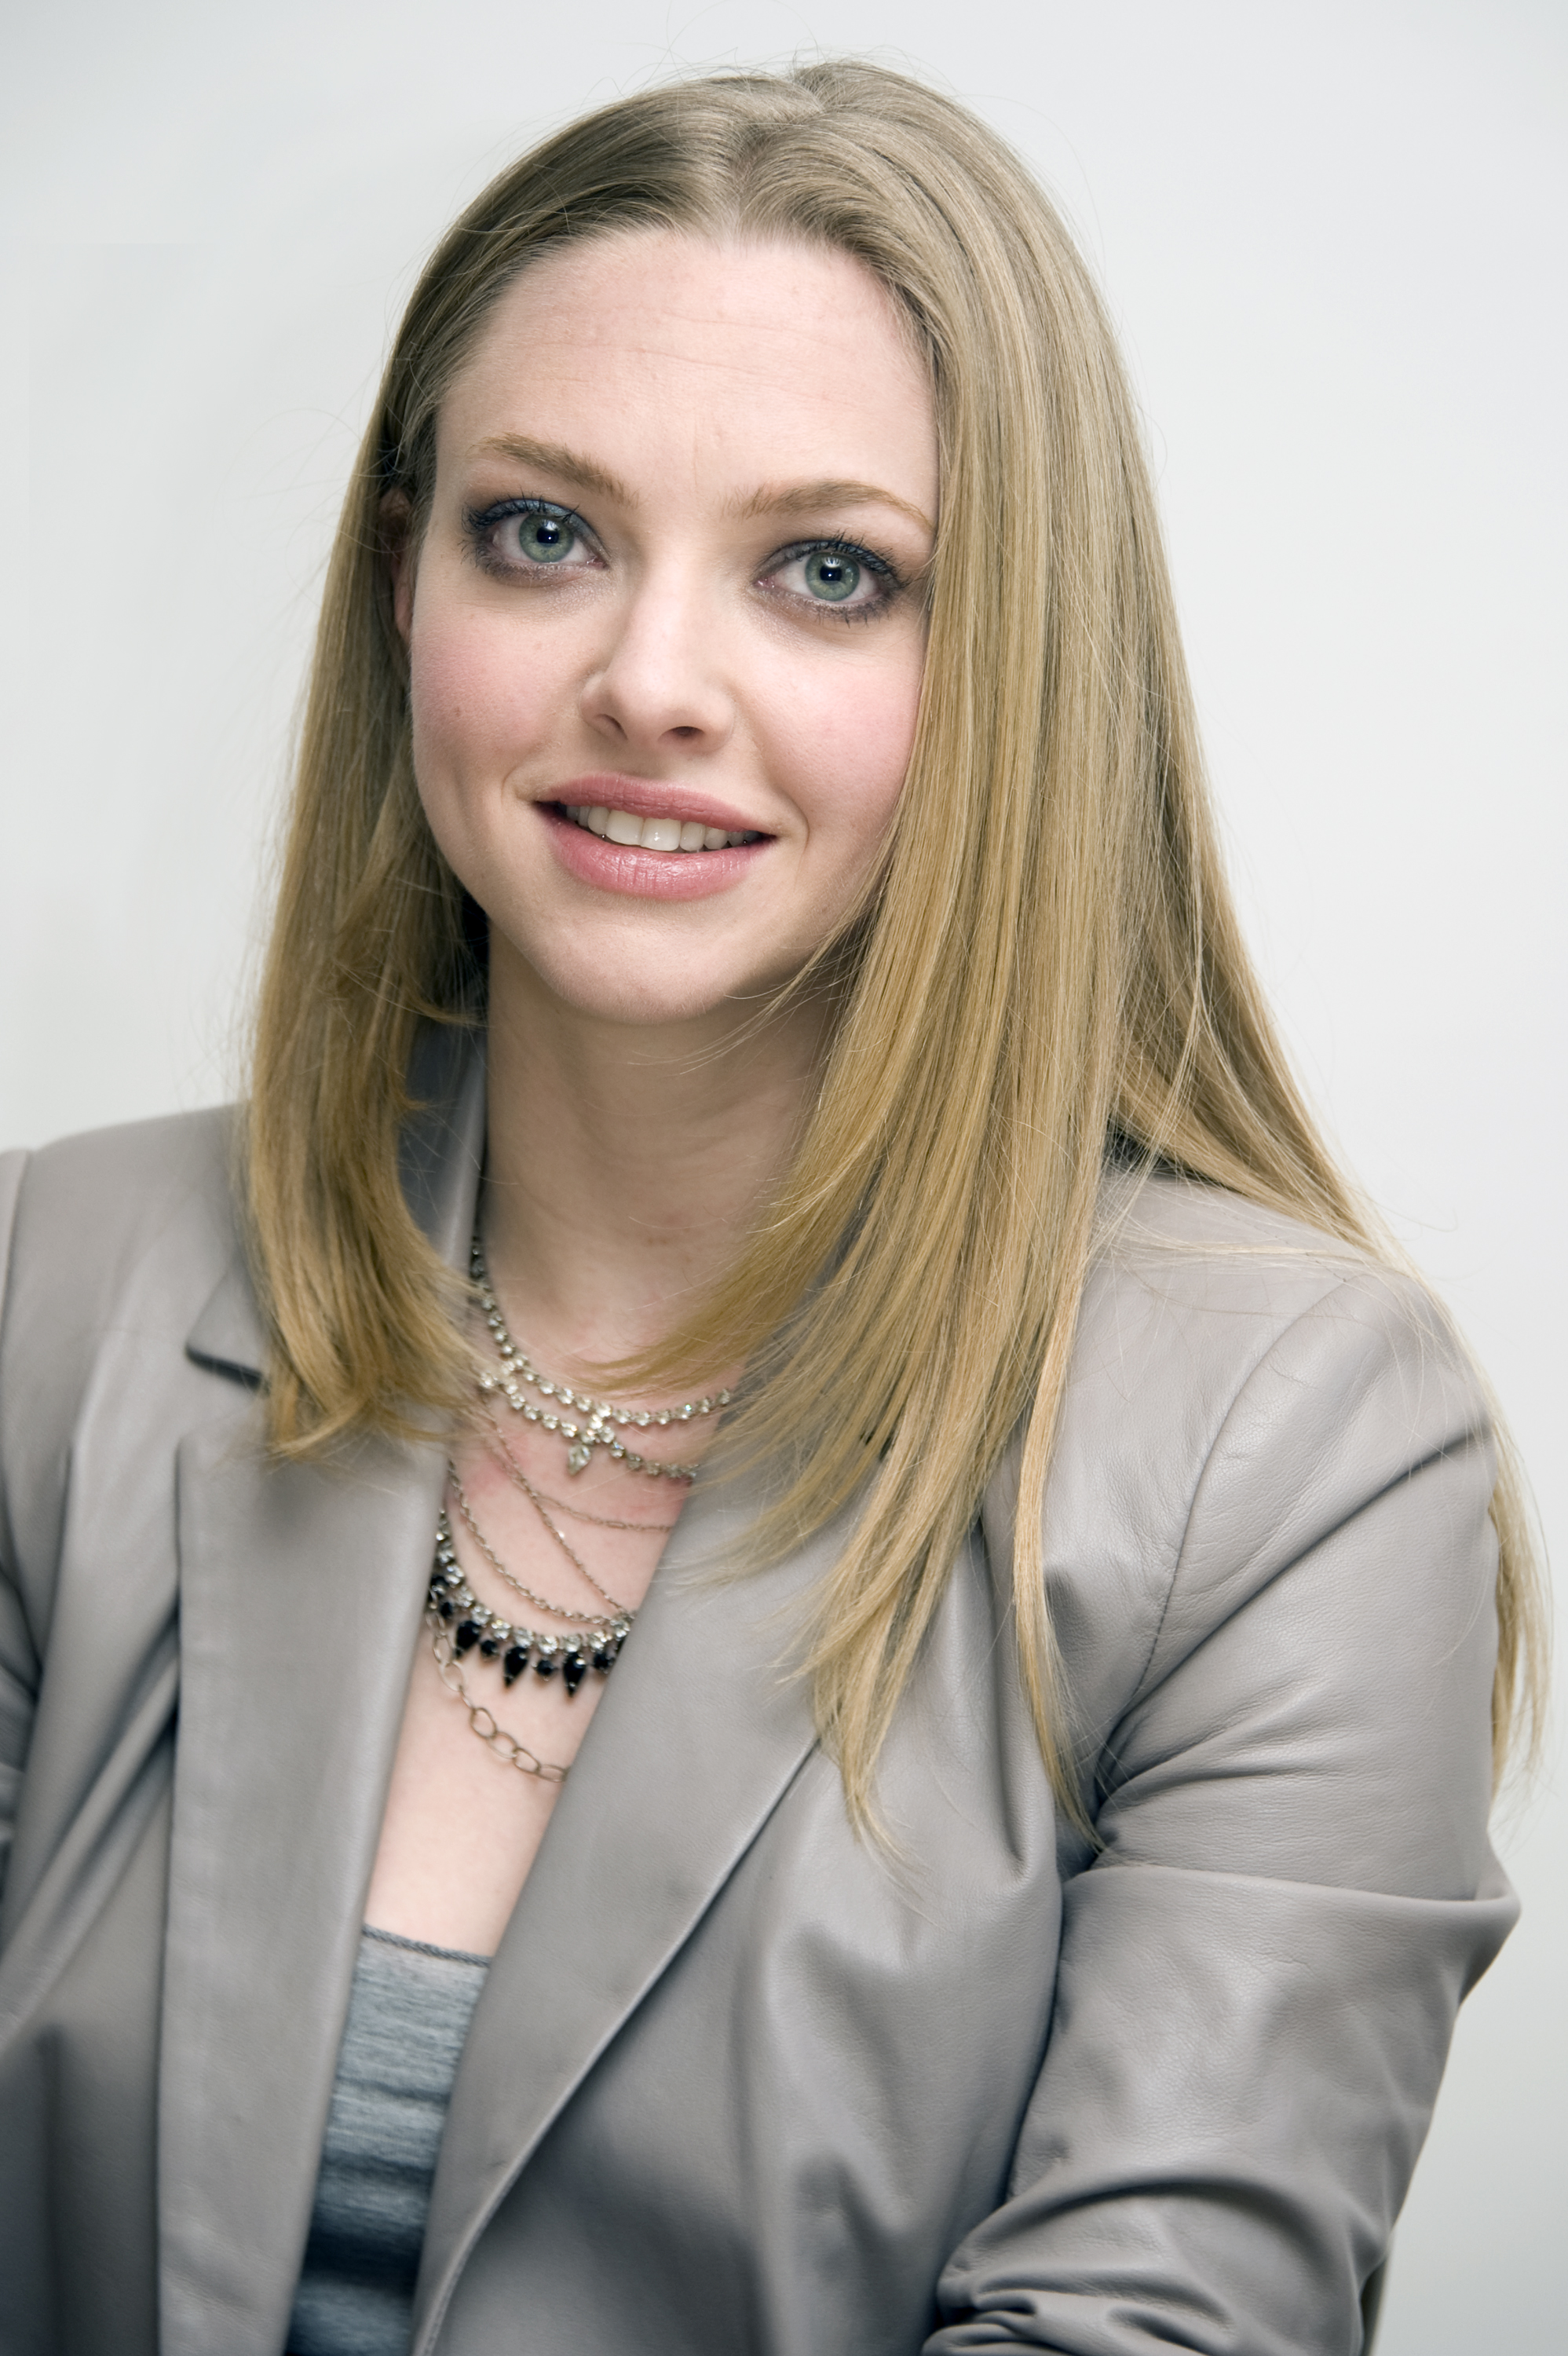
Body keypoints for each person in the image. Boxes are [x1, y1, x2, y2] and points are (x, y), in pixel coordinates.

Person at [0, 58, 1542, 2356]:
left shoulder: (1304, 1452)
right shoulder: (50, 1290)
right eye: (544, 533)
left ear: (1009, 662)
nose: (649, 682)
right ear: (402, 580)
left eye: (830, 574)